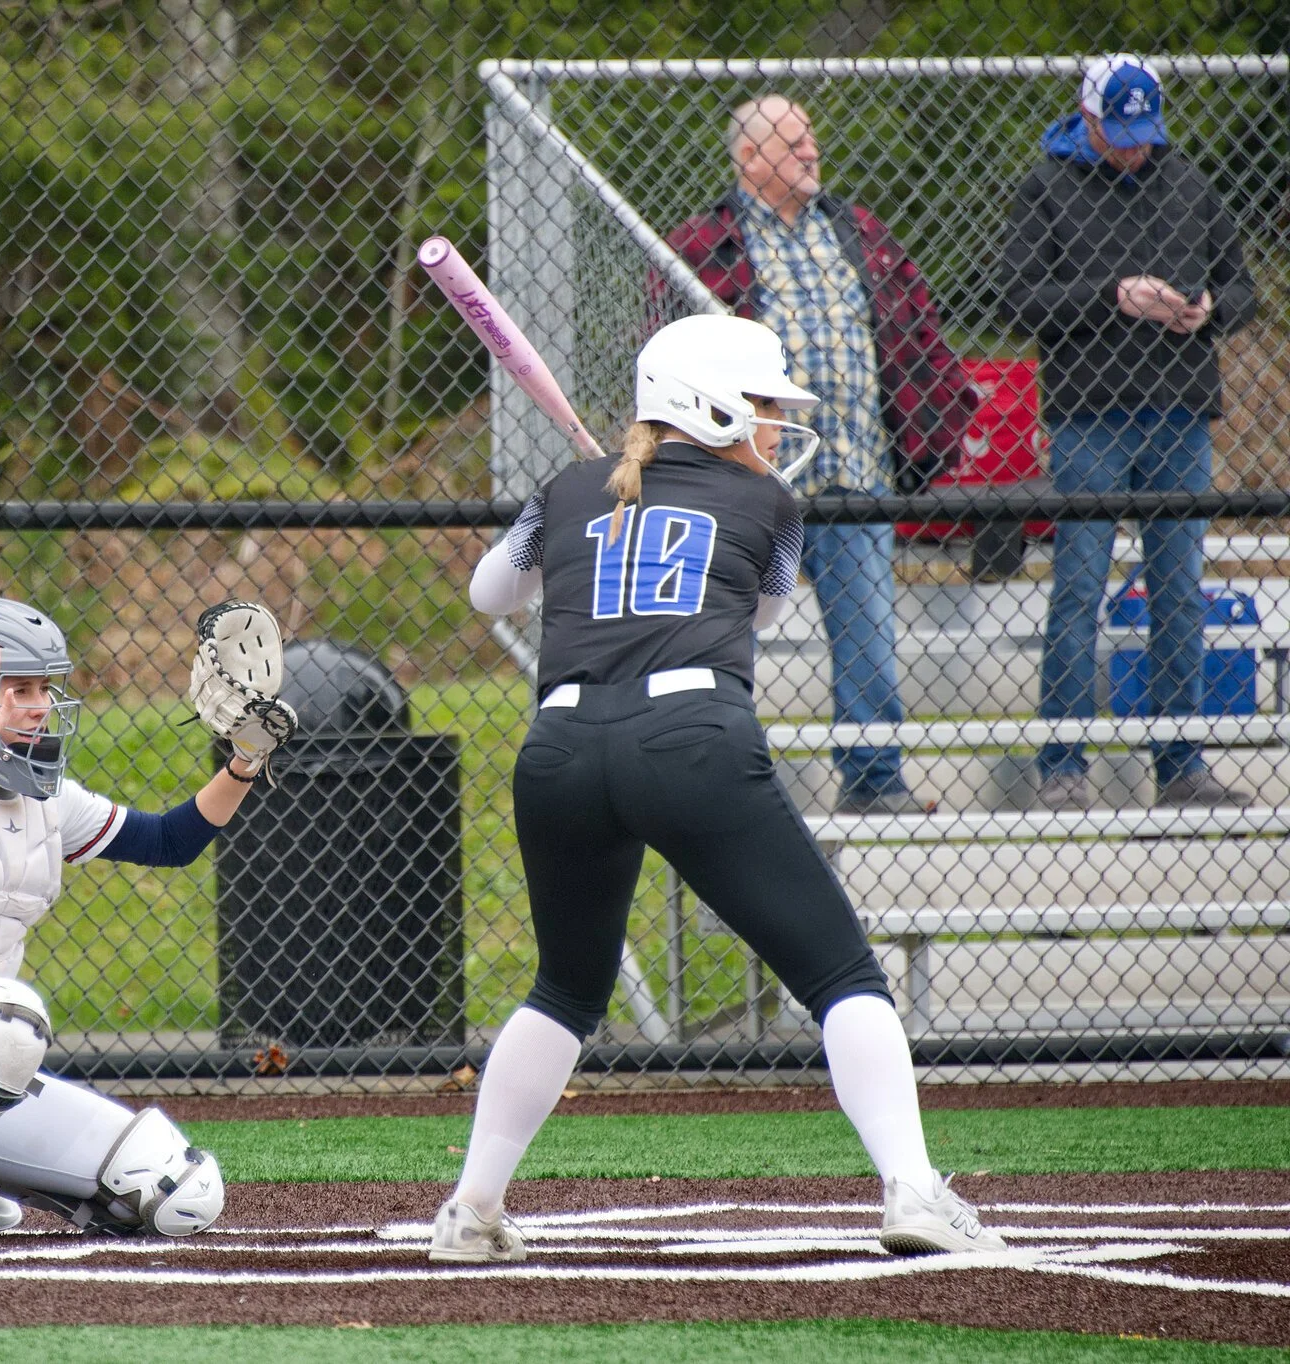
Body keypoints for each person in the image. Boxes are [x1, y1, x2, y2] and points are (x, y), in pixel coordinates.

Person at [427, 314, 1005, 1264]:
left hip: (561, 749)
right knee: (844, 976)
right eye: (766, 405)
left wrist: (591, 514)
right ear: (714, 404)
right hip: (691, 741)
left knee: (566, 989)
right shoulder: (767, 501)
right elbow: (765, 609)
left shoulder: (570, 489)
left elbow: (492, 593)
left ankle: (471, 1209)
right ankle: (913, 1189)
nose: (776, 425)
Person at [0, 594, 293, 1247]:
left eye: (44, 687)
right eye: (18, 688)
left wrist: (245, 760)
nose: (39, 703)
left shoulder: (46, 800)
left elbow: (168, 843)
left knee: (178, 1192)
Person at [666, 95, 979, 816]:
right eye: (793, 143)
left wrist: (931, 419)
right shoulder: (704, 244)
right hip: (750, 475)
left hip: (857, 466)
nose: (812, 153)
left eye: (811, 140)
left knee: (868, 624)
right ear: (750, 159)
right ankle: (720, 776)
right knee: (725, 628)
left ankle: (874, 779)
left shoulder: (857, 231)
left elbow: (915, 324)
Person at [1000, 55, 1257, 810]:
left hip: (1181, 413)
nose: (1135, 148)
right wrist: (1113, 297)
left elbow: (1244, 285)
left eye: (1145, 131)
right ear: (1085, 118)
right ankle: (1063, 766)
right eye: (1119, 134)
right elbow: (1019, 300)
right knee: (1080, 589)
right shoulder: (1046, 188)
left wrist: (1212, 307)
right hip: (1091, 418)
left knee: (1178, 592)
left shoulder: (1187, 183)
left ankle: (1181, 764)